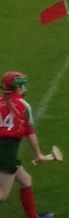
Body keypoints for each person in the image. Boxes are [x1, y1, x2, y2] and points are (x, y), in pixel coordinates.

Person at [0, 71, 54, 218]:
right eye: (24, 85)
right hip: (6, 151)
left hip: (4, 149)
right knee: (2, 195)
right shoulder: (23, 105)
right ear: (18, 87)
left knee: (26, 180)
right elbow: (29, 132)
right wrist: (38, 154)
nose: (26, 88)